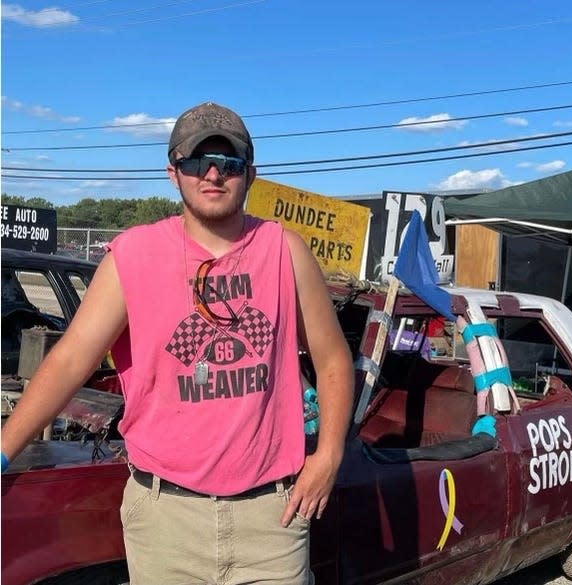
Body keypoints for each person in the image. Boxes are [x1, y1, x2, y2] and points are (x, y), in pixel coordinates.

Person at [0, 101, 355, 584]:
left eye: (229, 163)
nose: (213, 174)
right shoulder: (134, 256)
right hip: (165, 517)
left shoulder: (285, 251)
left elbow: (333, 360)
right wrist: (3, 451)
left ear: (250, 174)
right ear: (173, 172)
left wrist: (329, 455)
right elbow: (68, 362)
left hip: (271, 519)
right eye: (195, 162)